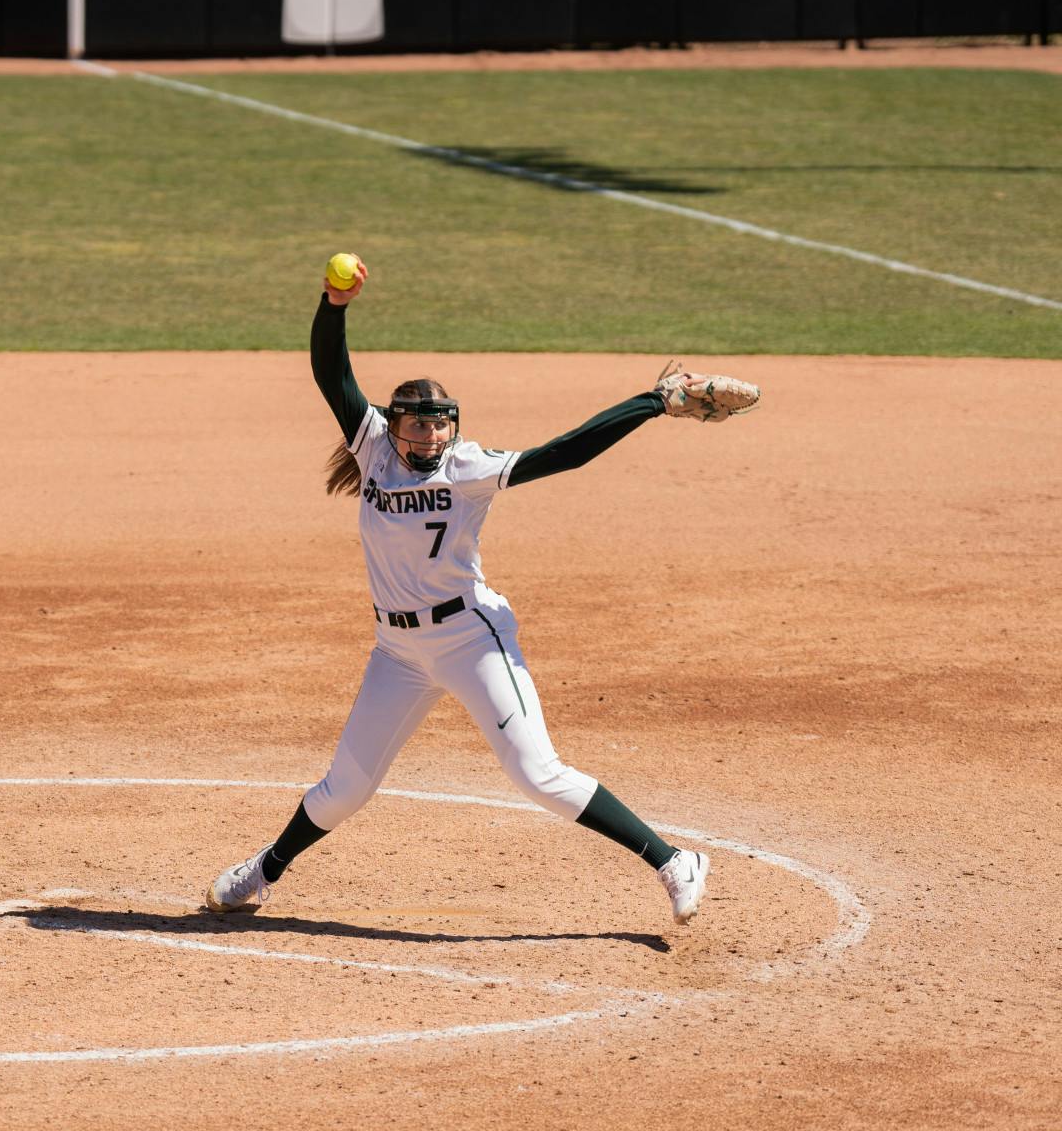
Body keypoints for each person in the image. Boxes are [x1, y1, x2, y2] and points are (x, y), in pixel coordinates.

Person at [203, 256, 758, 925]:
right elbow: (331, 371)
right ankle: (262, 871)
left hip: (471, 637)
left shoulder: (467, 469)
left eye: (441, 423)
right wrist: (334, 302)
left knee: (537, 773)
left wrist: (652, 402)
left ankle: (675, 860)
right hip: (398, 653)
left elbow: (566, 452)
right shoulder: (373, 446)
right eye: (419, 424)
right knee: (343, 788)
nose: (431, 434)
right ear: (395, 423)